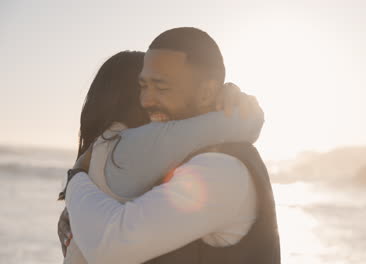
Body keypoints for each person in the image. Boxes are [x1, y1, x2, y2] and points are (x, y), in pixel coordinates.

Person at [61, 27, 281, 264]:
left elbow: (111, 246)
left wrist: (75, 180)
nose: (146, 101)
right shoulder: (153, 162)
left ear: (207, 91)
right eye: (143, 87)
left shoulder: (220, 169)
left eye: (162, 87)